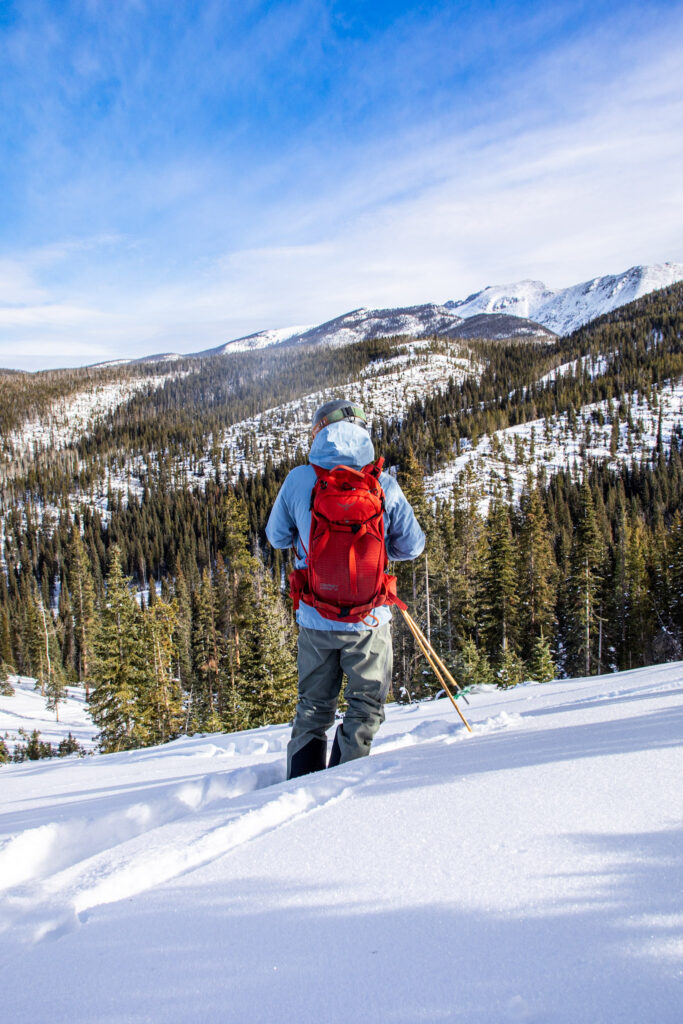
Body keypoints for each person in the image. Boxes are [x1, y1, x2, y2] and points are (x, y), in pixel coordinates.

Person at [266, 399, 425, 779]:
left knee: (312, 710)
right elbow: (413, 545)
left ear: (320, 429)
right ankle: (338, 789)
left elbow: (275, 537)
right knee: (365, 707)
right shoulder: (383, 482)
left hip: (316, 617)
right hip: (369, 619)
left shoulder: (299, 479)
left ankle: (298, 786)